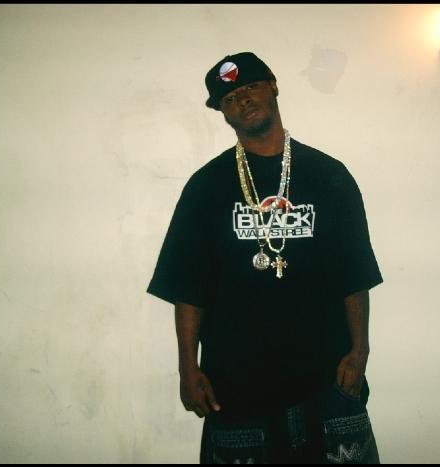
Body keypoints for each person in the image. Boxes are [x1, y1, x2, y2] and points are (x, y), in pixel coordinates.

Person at [147, 51, 383, 464]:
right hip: (237, 390)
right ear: (222, 112)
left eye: (251, 87)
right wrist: (188, 368)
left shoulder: (329, 176)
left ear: (273, 85)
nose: (243, 99)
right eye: (230, 97)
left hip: (327, 382)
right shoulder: (206, 187)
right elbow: (187, 285)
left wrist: (360, 350)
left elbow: (354, 273)